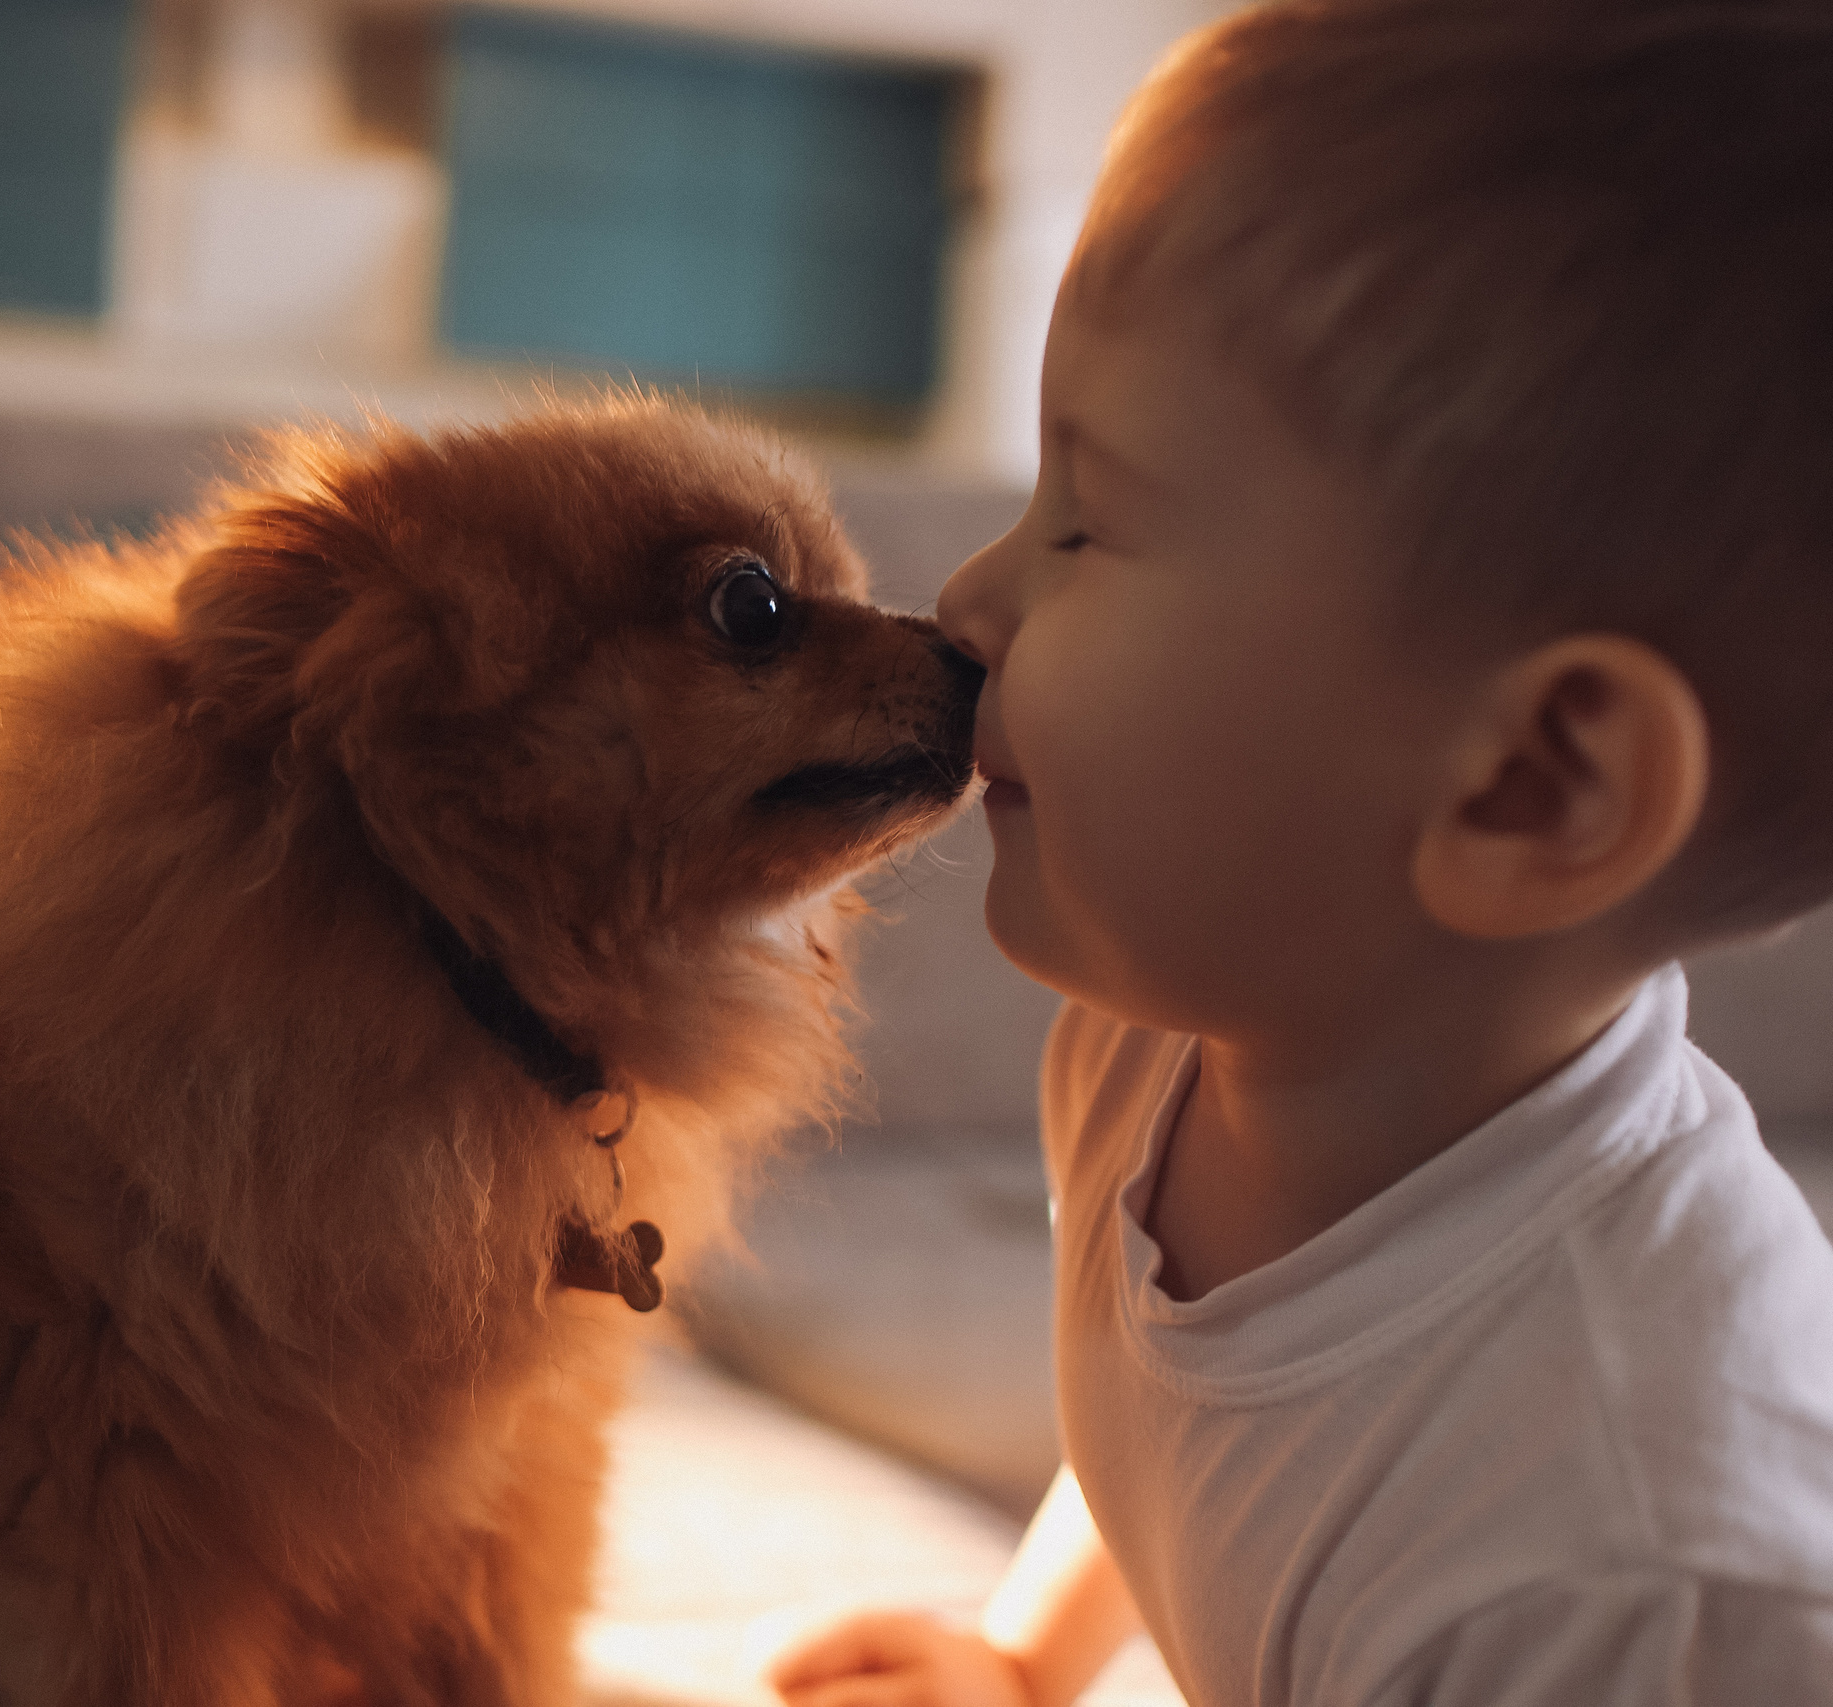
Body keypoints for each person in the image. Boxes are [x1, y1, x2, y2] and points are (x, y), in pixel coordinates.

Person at [768, 1, 1833, 1702]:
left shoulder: (1634, 1589)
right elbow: (1200, 1422)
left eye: (1089, 518)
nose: (968, 600)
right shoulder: (1166, 1034)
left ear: (1532, 788)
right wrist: (1029, 1664)